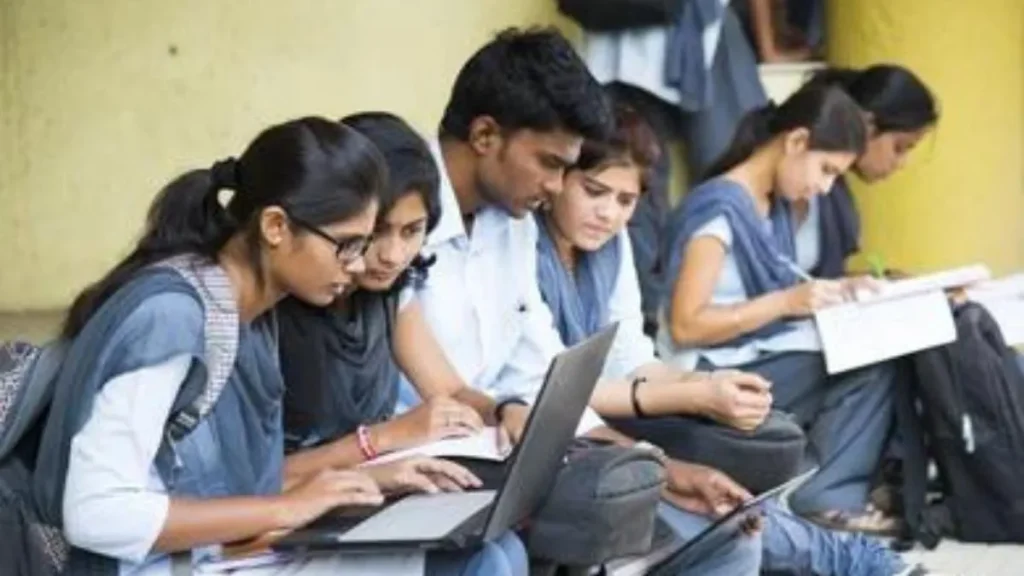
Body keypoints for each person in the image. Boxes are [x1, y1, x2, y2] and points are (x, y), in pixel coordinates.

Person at [30, 117, 525, 575]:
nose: (358, 265)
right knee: (471, 566)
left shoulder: (250, 311)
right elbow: (95, 513)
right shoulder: (172, 316)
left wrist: (377, 479)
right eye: (347, 244)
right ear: (274, 227)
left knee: (479, 551)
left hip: (220, 555)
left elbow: (236, 488)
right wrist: (288, 508)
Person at [400, 26, 764, 575]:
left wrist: (664, 469)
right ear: (484, 135)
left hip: (507, 450)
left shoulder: (513, 224)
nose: (556, 187)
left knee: (726, 527)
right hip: (418, 459)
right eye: (550, 163)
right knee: (568, 519)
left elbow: (544, 383)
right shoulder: (397, 217)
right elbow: (449, 395)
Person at [537, 99, 921, 575]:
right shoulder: (525, 250)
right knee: (726, 511)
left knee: (746, 491)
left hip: (631, 399)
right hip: (592, 417)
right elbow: (680, 327)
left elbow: (630, 352)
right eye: (594, 191)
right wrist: (697, 391)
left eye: (625, 201)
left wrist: (692, 395)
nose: (608, 214)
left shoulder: (609, 247)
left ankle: (844, 545)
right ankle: (848, 551)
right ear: (554, 180)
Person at [658, 84, 901, 535]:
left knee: (881, 348)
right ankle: (823, 496)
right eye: (826, 170)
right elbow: (685, 325)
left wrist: (840, 290)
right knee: (872, 365)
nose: (825, 187)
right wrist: (787, 302)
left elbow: (787, 286)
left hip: (753, 349)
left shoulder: (773, 204)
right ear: (796, 142)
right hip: (707, 365)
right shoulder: (719, 210)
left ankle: (822, 484)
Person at [278, 112, 515, 485]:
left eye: (412, 231)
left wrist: (506, 410)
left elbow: (450, 390)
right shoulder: (275, 309)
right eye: (377, 232)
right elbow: (257, 478)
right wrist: (383, 440)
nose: (393, 254)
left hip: (360, 485)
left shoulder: (390, 290)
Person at [801, 64, 940, 278]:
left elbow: (818, 281)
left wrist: (881, 281)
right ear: (867, 124)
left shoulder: (835, 187)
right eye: (899, 148)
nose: (900, 163)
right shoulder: (804, 179)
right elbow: (788, 286)